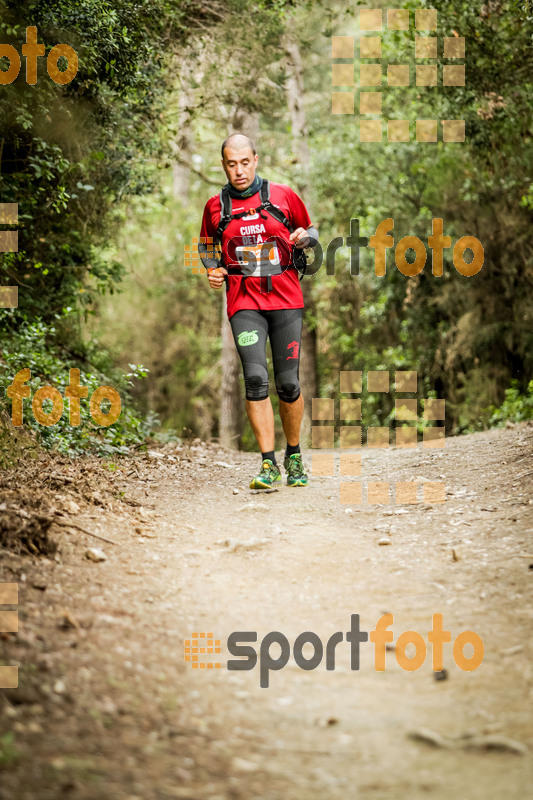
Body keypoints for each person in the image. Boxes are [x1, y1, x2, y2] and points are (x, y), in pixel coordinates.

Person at [198, 133, 319, 489]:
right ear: (223, 165)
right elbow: (206, 245)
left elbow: (310, 230)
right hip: (244, 303)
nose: (239, 171)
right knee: (255, 380)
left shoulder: (283, 195)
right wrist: (212, 268)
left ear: (256, 159)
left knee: (288, 383)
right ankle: (268, 465)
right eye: (231, 164)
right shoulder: (214, 205)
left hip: (285, 300)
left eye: (245, 162)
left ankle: (293, 456)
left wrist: (304, 238)